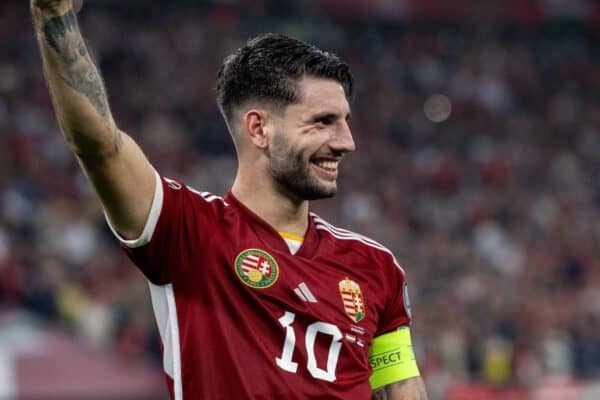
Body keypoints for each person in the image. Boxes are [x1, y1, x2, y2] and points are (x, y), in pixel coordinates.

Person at [31, 0, 428, 398]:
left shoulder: (376, 267)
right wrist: (54, 15)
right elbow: (100, 146)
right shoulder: (187, 231)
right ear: (258, 129)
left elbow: (401, 387)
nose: (347, 142)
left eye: (345, 121)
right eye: (323, 122)